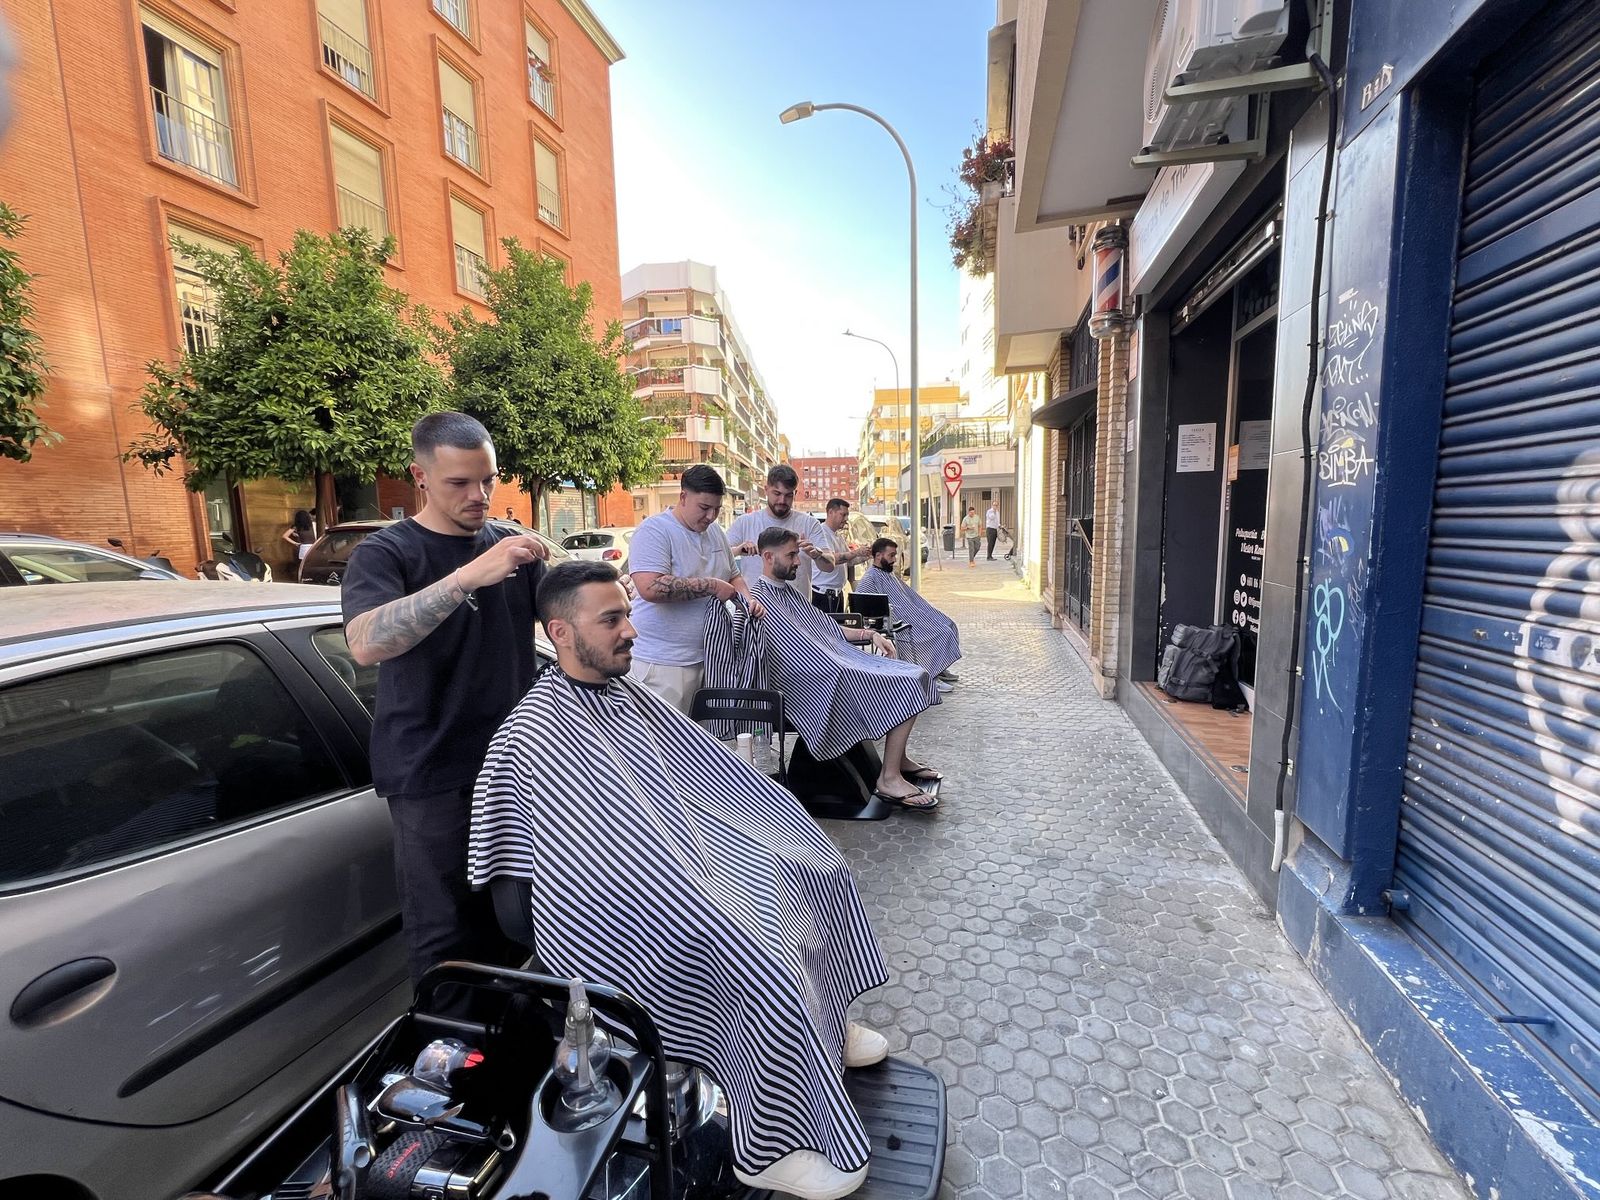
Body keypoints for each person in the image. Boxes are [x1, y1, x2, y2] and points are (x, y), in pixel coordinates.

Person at [470, 561, 890, 1200]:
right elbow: (539, 873)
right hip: (611, 910)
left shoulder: (628, 695)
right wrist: (689, 876)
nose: (630, 631)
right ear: (559, 631)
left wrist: (752, 829)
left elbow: (703, 773)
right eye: (610, 619)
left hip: (685, 859)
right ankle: (771, 1145)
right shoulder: (528, 734)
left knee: (816, 864)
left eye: (627, 614)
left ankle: (822, 1038)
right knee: (754, 945)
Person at [340, 412, 551, 1007]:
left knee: (517, 922)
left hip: (517, 771)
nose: (478, 496)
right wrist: (467, 579)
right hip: (431, 775)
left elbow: (565, 627)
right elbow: (365, 642)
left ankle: (514, 1053)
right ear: (421, 477)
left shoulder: (509, 545)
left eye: (486, 480)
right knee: (444, 933)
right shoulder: (386, 553)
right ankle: (446, 1070)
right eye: (460, 483)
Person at [745, 527, 941, 808]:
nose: (798, 562)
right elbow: (784, 659)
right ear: (767, 556)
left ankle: (897, 760)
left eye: (797, 554)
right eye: (791, 556)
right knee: (909, 681)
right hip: (814, 680)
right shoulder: (758, 600)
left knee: (915, 673)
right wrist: (837, 665)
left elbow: (825, 625)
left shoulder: (788, 592)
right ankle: (888, 778)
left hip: (836, 664)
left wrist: (870, 635)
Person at [627, 464, 760, 714]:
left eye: (717, 510)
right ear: (683, 497)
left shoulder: (716, 533)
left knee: (701, 748)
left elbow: (734, 576)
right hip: (662, 665)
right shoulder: (656, 530)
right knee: (665, 745)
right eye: (704, 508)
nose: (710, 516)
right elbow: (649, 587)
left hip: (711, 661)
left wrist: (748, 599)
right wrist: (710, 586)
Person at [854, 537, 962, 687]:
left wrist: (920, 611)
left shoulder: (888, 573)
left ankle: (939, 667)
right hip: (896, 619)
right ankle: (930, 676)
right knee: (942, 632)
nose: (894, 559)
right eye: (891, 555)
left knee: (949, 624)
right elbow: (862, 605)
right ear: (878, 556)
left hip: (909, 614)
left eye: (895, 555)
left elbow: (909, 597)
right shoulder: (870, 577)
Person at [727, 464, 837, 597]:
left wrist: (817, 554)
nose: (782, 500)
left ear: (795, 493)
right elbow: (721, 556)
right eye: (777, 493)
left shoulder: (809, 523)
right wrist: (739, 549)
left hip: (797, 610)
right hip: (756, 609)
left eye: (788, 495)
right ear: (766, 490)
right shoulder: (744, 522)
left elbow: (830, 565)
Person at [809, 497, 871, 613]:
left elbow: (849, 560)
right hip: (823, 594)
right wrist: (856, 552)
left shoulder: (838, 536)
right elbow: (832, 559)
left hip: (837, 593)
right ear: (830, 512)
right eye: (843, 515)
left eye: (847, 515)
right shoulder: (821, 533)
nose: (846, 519)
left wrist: (867, 554)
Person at [280, 509, 316, 580]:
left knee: (303, 567)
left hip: (303, 549)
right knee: (314, 565)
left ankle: (303, 579)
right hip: (314, 547)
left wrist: (296, 543)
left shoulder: (296, 526)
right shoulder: (313, 524)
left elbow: (284, 536)